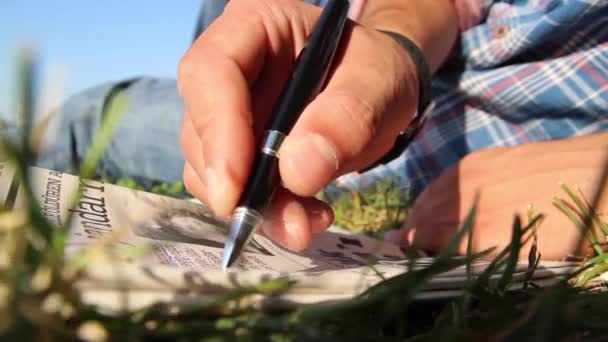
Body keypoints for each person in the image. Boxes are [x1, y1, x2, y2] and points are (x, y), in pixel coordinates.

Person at [12, 0, 608, 261]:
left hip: (430, 185)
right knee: (99, 112)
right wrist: (396, 48)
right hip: (334, 113)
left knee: (92, 117)